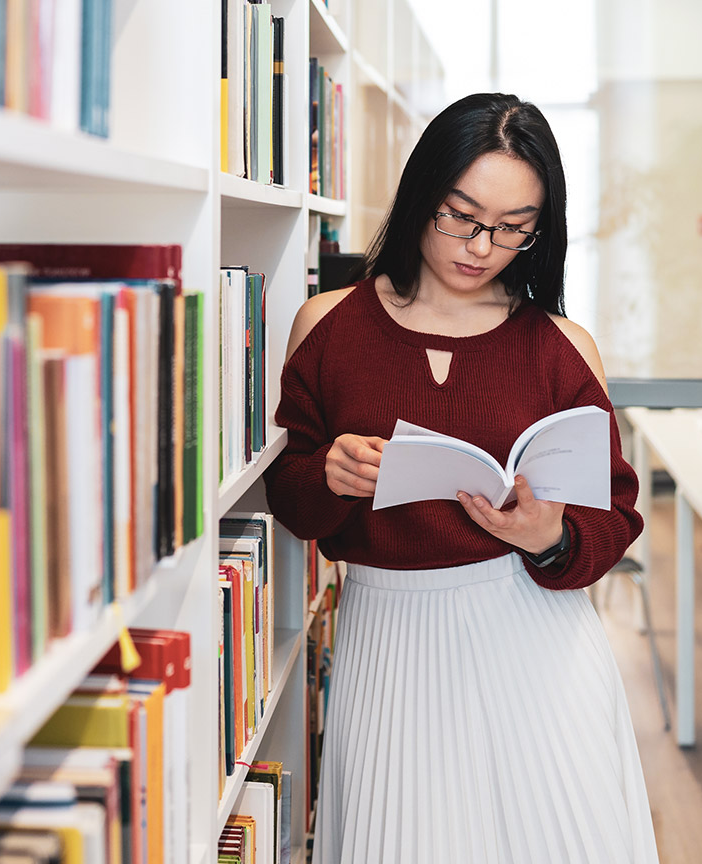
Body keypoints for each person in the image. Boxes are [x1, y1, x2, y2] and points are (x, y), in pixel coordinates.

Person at [266, 93, 660, 863]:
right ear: (422, 194)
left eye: (515, 227)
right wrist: (331, 474)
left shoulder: (561, 346)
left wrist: (552, 537)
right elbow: (290, 497)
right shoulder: (329, 325)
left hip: (537, 638)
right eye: (462, 215)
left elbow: (614, 517)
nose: (483, 245)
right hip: (391, 638)